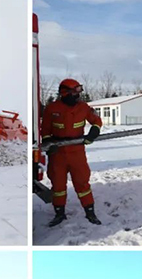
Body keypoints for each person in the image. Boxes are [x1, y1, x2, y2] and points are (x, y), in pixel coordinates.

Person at [41, 79, 103, 227]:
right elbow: (45, 130)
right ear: (65, 93)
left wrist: (93, 132)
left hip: (77, 152)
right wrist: (50, 145)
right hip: (58, 154)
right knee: (58, 186)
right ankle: (59, 214)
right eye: (75, 92)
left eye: (79, 91)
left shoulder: (84, 108)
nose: (78, 95)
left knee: (82, 183)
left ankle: (90, 213)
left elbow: (97, 120)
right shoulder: (52, 109)